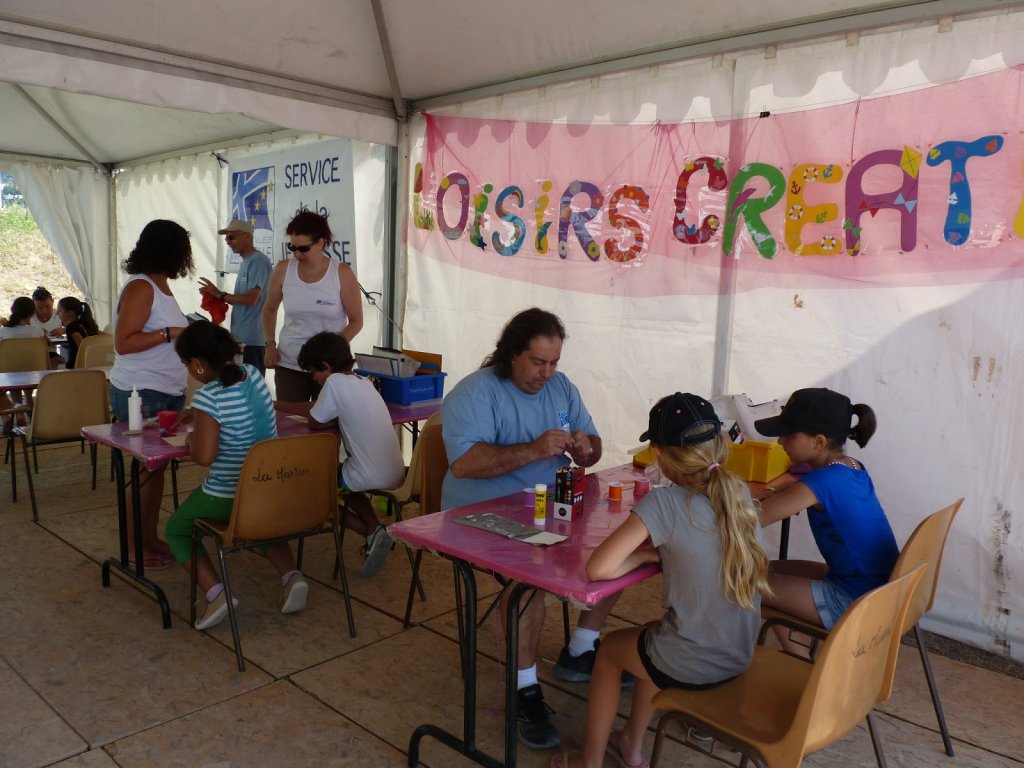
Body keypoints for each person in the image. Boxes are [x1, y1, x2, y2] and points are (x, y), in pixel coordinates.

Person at [553, 393, 771, 768]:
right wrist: (662, 554)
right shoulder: (737, 491)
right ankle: (631, 747)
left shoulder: (664, 505)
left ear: (660, 454)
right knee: (653, 637)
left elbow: (599, 569)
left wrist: (648, 554)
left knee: (609, 654)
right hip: (737, 652)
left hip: (692, 661)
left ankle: (589, 763)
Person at [441, 307, 610, 751]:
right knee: (530, 582)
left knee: (622, 548)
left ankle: (581, 649)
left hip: (548, 507)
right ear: (512, 354)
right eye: (538, 362)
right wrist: (535, 450)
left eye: (554, 362)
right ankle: (525, 688)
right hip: (480, 513)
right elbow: (465, 464)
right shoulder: (475, 393)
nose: (547, 373)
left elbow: (594, 447)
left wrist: (584, 449)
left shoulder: (562, 387)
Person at [163, 321, 305, 629]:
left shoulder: (207, 398)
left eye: (187, 364)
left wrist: (190, 438)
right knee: (251, 525)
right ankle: (292, 577)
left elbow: (204, 457)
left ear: (198, 364)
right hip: (268, 487)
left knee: (176, 529)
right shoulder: (253, 374)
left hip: (227, 493)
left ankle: (216, 594)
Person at [753, 387, 899, 654]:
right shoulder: (851, 467)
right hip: (876, 589)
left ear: (818, 442)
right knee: (764, 570)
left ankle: (798, 665)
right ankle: (798, 659)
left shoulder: (819, 483)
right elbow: (810, 490)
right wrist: (778, 492)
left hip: (853, 599)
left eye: (788, 434)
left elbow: (748, 521)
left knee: (744, 582)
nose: (780, 442)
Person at [274, 332, 405, 576]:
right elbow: (320, 412)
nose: (314, 379)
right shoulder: (363, 382)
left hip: (367, 475)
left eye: (314, 372)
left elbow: (314, 420)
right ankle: (375, 530)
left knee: (314, 496)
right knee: (343, 482)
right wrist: (281, 405)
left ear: (326, 367)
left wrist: (277, 406)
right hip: (394, 472)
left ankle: (371, 531)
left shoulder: (334, 383)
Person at [109, 219, 192, 571]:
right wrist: (169, 333)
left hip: (165, 391)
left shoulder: (161, 287)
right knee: (142, 473)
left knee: (154, 471)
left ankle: (148, 538)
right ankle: (131, 547)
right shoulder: (143, 287)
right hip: (141, 392)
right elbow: (124, 343)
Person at [261, 210, 363, 402]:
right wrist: (269, 344)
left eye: (304, 249)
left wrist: (331, 351)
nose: (298, 254)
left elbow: (356, 321)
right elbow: (269, 309)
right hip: (290, 363)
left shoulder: (341, 272)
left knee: (329, 425)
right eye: (293, 247)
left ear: (322, 242)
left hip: (329, 367)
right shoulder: (283, 270)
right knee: (291, 424)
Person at [198, 219, 273, 374]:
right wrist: (217, 296)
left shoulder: (258, 261)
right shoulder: (246, 262)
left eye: (231, 237)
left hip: (252, 340)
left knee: (250, 390)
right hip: (241, 340)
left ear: (247, 236)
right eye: (226, 238)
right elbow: (244, 301)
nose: (228, 242)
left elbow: (252, 299)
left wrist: (221, 295)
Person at [56, 296, 99, 368]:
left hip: (76, 365)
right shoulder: (84, 324)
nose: (57, 313)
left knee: (54, 365)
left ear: (70, 313)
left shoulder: (71, 328)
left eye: (59, 311)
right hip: (88, 363)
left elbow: (83, 347)